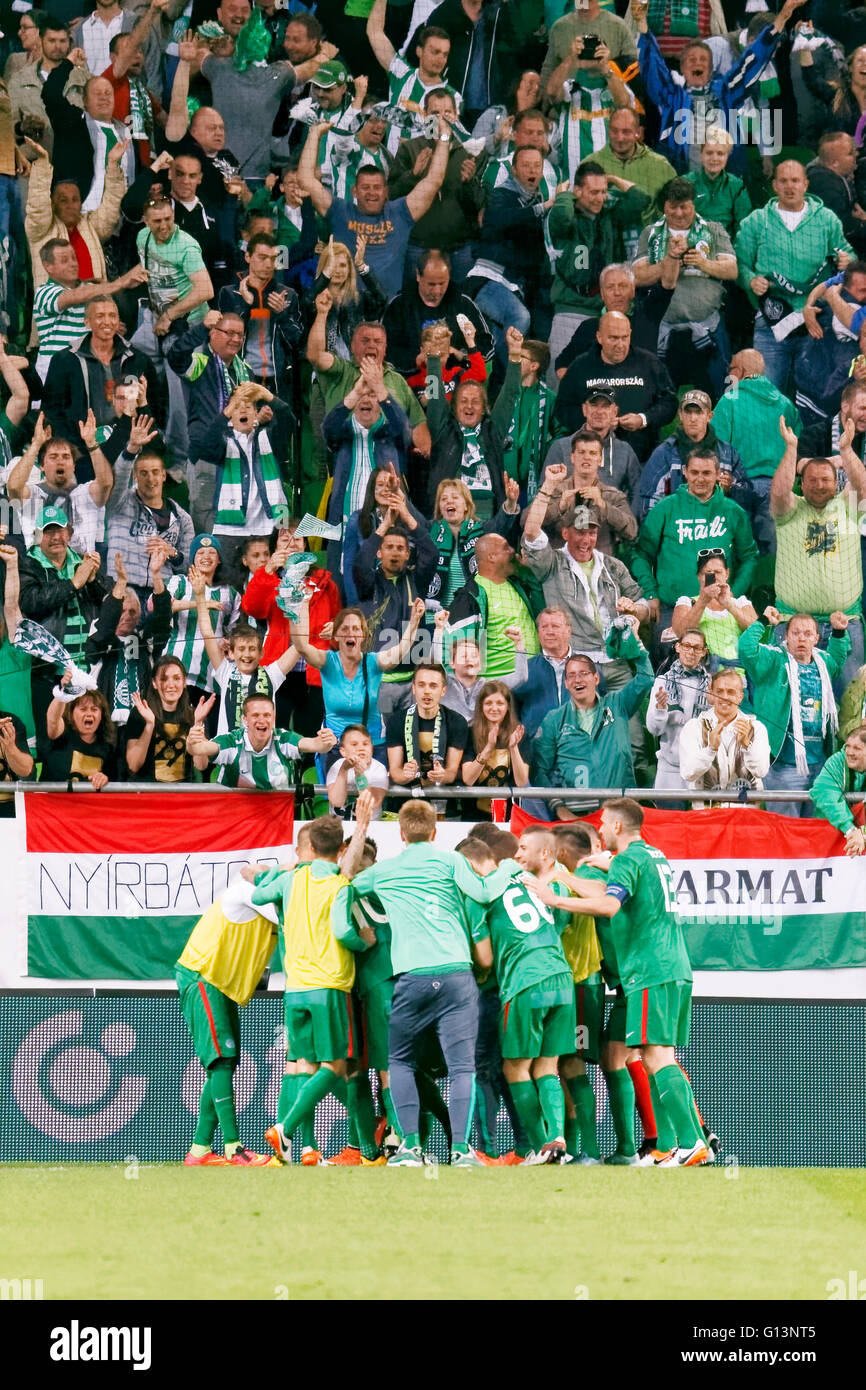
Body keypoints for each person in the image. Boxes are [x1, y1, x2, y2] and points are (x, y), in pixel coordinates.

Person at [531, 796, 709, 1166]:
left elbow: (609, 906)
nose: (598, 830)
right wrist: (565, 876)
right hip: (674, 966)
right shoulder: (652, 855)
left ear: (616, 826)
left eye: (602, 824)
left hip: (649, 969)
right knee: (662, 1055)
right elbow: (610, 894)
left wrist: (557, 900)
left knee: (656, 1056)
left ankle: (690, 1141)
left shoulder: (627, 859)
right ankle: (694, 1143)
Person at [347, 797, 512, 1167]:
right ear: (435, 831)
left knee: (401, 1062)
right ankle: (461, 1151)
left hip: (413, 979)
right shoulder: (452, 860)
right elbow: (485, 892)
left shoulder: (386, 869)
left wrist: (360, 829)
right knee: (462, 1068)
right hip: (457, 976)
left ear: (401, 833)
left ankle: (410, 1148)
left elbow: (346, 878)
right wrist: (511, 869)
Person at [251, 806, 375, 1166]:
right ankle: (285, 1130)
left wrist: (280, 871)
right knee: (335, 1067)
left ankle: (299, 1150)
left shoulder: (291, 880)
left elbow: (258, 897)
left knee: (299, 1065)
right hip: (330, 986)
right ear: (338, 851)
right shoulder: (339, 884)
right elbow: (342, 931)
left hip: (296, 989)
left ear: (309, 849)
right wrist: (363, 942)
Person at [461, 830, 574, 1164]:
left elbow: (485, 959)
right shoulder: (535, 881)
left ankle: (540, 1147)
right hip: (561, 978)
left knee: (514, 1068)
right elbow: (559, 920)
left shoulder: (480, 894)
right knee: (548, 1067)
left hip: (524, 984)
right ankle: (556, 1139)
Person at [175, 869, 281, 1165]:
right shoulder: (246, 894)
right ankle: (234, 1147)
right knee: (221, 1060)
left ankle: (199, 1151)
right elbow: (288, 910)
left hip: (222, 984)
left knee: (226, 1062)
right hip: (202, 975)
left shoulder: (266, 905)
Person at [631, 0, 796, 174]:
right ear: (682, 68)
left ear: (712, 68)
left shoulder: (726, 91)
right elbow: (654, 68)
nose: (698, 64)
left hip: (726, 174)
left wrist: (783, 16)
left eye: (703, 60)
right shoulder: (672, 96)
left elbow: (751, 62)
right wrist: (642, 25)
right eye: (692, 60)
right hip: (683, 173)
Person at [298, 115, 452, 301]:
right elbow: (306, 181)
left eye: (377, 187)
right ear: (354, 191)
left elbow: (434, 180)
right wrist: (314, 134)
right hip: (346, 304)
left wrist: (444, 138)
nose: (372, 193)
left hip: (387, 308)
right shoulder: (340, 211)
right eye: (365, 188)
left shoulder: (401, 212)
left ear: (386, 191)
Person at [734, 160, 853, 398]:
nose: (790, 187)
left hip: (816, 320)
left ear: (805, 184)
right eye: (784, 181)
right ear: (775, 185)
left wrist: (846, 260)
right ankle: (768, 435)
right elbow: (739, 262)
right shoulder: (756, 221)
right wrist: (750, 279)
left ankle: (806, 436)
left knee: (814, 393)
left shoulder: (826, 220)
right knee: (765, 395)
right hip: (771, 320)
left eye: (795, 181)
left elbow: (848, 253)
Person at [522, 470, 650, 687]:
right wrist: (548, 487)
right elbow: (532, 532)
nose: (586, 539)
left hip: (616, 662)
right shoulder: (551, 563)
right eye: (580, 532)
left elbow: (643, 606)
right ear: (565, 534)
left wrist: (634, 611)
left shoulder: (612, 565)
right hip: (578, 665)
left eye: (591, 533)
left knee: (630, 721)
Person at [770, 418, 866, 691]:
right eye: (812, 480)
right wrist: (791, 449)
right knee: (792, 700)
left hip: (844, 623)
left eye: (825, 479)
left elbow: (863, 488)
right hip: (793, 625)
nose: (819, 484)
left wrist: (846, 450)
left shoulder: (848, 507)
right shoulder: (789, 511)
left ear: (836, 483)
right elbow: (778, 492)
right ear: (802, 483)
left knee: (848, 698)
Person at [530, 623, 654, 819]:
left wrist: (636, 642)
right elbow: (539, 770)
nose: (578, 680)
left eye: (584, 674)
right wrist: (560, 809)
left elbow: (646, 678)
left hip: (620, 810)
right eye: (571, 676)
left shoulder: (618, 704)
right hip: (577, 816)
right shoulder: (554, 720)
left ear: (596, 678)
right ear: (566, 684)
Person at [629, 449, 758, 636]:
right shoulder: (665, 508)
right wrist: (651, 593)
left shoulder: (733, 511)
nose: (700, 479)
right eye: (695, 472)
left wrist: (733, 594)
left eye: (706, 473)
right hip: (671, 607)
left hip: (720, 610)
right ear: (685, 472)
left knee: (722, 665)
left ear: (717, 474)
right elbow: (641, 554)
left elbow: (749, 557)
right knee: (670, 665)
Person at [738, 607, 850, 817]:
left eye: (807, 634)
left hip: (819, 763)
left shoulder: (824, 663)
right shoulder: (772, 661)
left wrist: (838, 632)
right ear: (786, 636)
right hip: (783, 765)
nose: (801, 639)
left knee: (816, 831)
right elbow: (746, 649)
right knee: (785, 831)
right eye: (796, 633)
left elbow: (838, 659)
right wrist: (763, 621)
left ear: (816, 638)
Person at [633, 175, 737, 398]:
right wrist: (669, 262)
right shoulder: (650, 233)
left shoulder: (713, 230)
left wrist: (702, 262)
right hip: (663, 330)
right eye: (673, 207)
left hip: (707, 329)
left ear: (693, 204)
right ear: (664, 207)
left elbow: (731, 270)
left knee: (717, 393)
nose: (679, 213)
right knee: (657, 395)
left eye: (684, 207)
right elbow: (638, 276)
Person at [547, 162, 650, 374]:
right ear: (578, 191)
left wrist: (613, 180)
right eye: (593, 192)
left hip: (601, 313)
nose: (600, 198)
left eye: (603, 192)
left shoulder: (608, 215)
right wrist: (563, 195)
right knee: (560, 377)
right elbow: (562, 217)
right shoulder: (566, 218)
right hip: (569, 309)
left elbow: (641, 199)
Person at [291, 599, 426, 758]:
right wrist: (301, 605)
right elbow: (301, 646)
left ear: (363, 635)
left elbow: (402, 650)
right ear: (336, 635)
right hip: (335, 747)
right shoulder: (327, 661)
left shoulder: (374, 662)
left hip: (371, 746)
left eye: (356, 629)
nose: (351, 633)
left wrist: (414, 621)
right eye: (345, 628)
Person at [18, 504, 107, 727]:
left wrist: (93, 580)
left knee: (84, 739)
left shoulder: (81, 561)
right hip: (48, 675)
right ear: (38, 536)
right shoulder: (29, 564)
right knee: (51, 740)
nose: (56, 537)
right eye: (48, 531)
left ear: (69, 533)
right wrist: (75, 583)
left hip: (85, 672)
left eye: (60, 530)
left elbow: (106, 605)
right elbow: (32, 602)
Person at [463, 145, 553, 365]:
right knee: (520, 318)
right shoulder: (501, 194)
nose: (532, 170)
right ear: (513, 170)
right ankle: (505, 379)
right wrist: (543, 208)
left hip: (516, 285)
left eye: (536, 166)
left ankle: (495, 378)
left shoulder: (536, 199)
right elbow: (503, 219)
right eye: (525, 165)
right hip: (487, 280)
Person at [386, 87, 486, 282]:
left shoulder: (471, 152)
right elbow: (393, 197)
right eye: (435, 113)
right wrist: (412, 175)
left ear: (456, 116)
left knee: (459, 305)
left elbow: (479, 206)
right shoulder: (410, 148)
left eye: (447, 113)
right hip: (418, 246)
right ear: (424, 115)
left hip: (458, 249)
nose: (441, 119)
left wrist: (469, 183)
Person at [553, 310, 678, 461]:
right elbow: (562, 409)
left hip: (641, 456)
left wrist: (643, 419)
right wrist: (594, 422)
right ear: (599, 337)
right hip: (591, 459)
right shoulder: (580, 367)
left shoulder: (649, 363)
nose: (620, 345)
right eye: (613, 338)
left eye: (624, 338)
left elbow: (669, 403)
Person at [32, 235, 146, 383]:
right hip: (55, 373)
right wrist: (120, 283)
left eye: (74, 258)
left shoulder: (92, 288)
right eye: (65, 260)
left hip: (90, 370)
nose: (73, 264)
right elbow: (75, 296)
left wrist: (109, 327)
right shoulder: (44, 292)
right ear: (48, 266)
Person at [637, 388, 755, 524]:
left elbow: (747, 498)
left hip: (717, 532)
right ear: (680, 415)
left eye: (698, 412)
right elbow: (648, 501)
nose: (693, 418)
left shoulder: (728, 453)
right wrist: (659, 534)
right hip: (677, 531)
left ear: (709, 416)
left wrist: (731, 488)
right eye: (688, 412)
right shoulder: (664, 453)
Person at [84, 546, 172, 728]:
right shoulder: (98, 637)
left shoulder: (144, 642)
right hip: (105, 725)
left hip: (141, 724)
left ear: (139, 615)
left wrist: (156, 575)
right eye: (121, 611)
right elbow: (106, 625)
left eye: (132, 611)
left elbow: (162, 620)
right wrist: (122, 581)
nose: (126, 616)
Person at [4, 410, 114, 556]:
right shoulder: (33, 494)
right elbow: (13, 487)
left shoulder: (85, 494)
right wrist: (36, 444)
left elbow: (106, 483)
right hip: (40, 573)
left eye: (66, 457)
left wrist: (92, 444)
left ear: (74, 465)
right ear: (42, 466)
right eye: (53, 457)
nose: (60, 461)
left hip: (82, 569)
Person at [23, 138, 125, 289]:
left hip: (96, 304)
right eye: (63, 200)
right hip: (62, 307)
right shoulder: (41, 230)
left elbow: (112, 203)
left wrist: (113, 165)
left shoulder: (90, 226)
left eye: (75, 199)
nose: (70, 205)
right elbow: (38, 206)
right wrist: (43, 164)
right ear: (52, 204)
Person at [381, 248, 493, 378]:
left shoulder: (463, 304)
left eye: (442, 283)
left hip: (455, 384)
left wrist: (459, 355)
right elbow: (386, 350)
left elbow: (487, 347)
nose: (437, 291)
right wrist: (417, 360)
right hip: (412, 382)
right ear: (418, 275)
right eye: (431, 284)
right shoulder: (399, 306)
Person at [106, 433, 195, 595]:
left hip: (161, 591)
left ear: (163, 475)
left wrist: (172, 553)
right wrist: (131, 450)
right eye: (143, 473)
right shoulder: (120, 503)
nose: (150, 479)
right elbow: (118, 479)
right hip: (124, 589)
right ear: (135, 476)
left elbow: (189, 565)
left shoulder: (182, 518)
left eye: (155, 472)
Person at [366, 3, 459, 154]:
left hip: (421, 174)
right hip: (389, 168)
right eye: (435, 52)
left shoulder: (453, 98)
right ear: (419, 51)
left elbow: (446, 146)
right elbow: (375, 32)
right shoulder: (401, 74)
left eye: (445, 54)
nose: (440, 59)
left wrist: (413, 147)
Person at [584, 107, 677, 259]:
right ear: (608, 130)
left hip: (650, 252)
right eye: (615, 131)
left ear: (638, 132)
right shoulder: (591, 164)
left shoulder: (661, 166)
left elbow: (676, 209)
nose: (619, 138)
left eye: (626, 132)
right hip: (603, 251)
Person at [188, 691, 334, 787]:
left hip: (273, 815)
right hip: (235, 815)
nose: (262, 720)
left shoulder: (283, 739)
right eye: (255, 715)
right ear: (245, 720)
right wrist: (192, 741)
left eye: (267, 715)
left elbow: (314, 744)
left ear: (274, 718)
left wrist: (325, 742)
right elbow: (200, 749)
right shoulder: (232, 741)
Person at [448, 532, 540, 679]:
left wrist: (526, 572)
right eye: (506, 548)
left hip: (534, 676)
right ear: (491, 556)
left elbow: (541, 603)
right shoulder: (469, 597)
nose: (512, 551)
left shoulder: (516, 584)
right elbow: (451, 652)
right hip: (499, 687)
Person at [533, 430, 638, 558]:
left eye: (592, 453)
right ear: (572, 457)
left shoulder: (612, 496)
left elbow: (632, 531)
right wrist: (559, 507)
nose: (586, 457)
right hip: (559, 567)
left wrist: (603, 506)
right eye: (581, 452)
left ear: (600, 459)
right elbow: (526, 523)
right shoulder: (554, 491)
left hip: (599, 569)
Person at [678, 668, 771, 806]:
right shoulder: (694, 727)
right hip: (706, 816)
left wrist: (747, 746)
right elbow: (688, 773)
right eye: (719, 691)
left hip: (746, 815)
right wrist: (710, 749)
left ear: (740, 697)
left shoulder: (757, 728)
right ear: (712, 695)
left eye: (731, 692)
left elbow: (761, 771)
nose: (724, 697)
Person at [427, 476, 520, 612]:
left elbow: (501, 524)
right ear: (440, 507)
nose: (449, 501)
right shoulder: (430, 531)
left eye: (455, 497)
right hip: (436, 615)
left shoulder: (481, 530)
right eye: (444, 499)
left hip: (472, 613)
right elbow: (412, 522)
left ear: (466, 505)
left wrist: (511, 502)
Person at [646, 629, 711, 802]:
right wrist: (660, 709)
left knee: (698, 823)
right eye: (687, 646)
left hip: (701, 768)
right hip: (670, 768)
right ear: (677, 647)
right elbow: (654, 729)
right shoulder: (663, 681)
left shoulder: (711, 684)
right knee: (667, 822)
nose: (691, 652)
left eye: (697, 648)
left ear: (704, 652)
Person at [386, 660, 469, 791]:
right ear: (413, 688)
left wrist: (443, 775)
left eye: (433, 686)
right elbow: (395, 772)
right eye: (421, 685)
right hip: (407, 797)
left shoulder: (457, 722)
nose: (426, 691)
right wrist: (405, 774)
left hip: (442, 798)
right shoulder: (396, 721)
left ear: (443, 690)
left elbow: (451, 773)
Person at [670, 551, 757, 669]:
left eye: (718, 572)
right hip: (700, 674)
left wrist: (728, 604)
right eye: (708, 573)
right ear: (699, 576)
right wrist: (702, 601)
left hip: (736, 675)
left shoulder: (740, 603)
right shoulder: (687, 602)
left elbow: (756, 631)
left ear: (727, 573)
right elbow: (680, 633)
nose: (714, 577)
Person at [123, 654, 202, 782]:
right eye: (164, 679)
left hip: (182, 796)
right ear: (154, 683)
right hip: (148, 795)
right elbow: (133, 765)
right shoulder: (139, 714)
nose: (171, 685)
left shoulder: (194, 715)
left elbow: (201, 765)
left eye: (177, 678)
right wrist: (149, 725)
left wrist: (198, 724)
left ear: (184, 682)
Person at [460, 680, 530, 808]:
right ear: (481, 706)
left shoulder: (520, 734)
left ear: (508, 706)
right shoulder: (469, 733)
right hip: (474, 814)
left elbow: (521, 782)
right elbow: (468, 779)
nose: (494, 708)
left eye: (500, 703)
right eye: (488, 703)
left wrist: (513, 748)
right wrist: (488, 748)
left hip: (509, 812)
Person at [511, 607, 576, 743]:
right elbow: (513, 711)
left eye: (555, 626)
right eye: (544, 627)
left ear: (568, 630)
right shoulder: (525, 670)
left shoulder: (586, 669)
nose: (549, 632)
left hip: (577, 749)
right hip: (536, 749)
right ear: (538, 633)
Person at [40, 681, 118, 788]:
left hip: (86, 803)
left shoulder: (107, 748)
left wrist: (104, 779)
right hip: (52, 802)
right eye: (83, 709)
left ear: (102, 715)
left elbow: (112, 781)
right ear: (71, 714)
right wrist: (62, 691)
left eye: (94, 709)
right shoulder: (61, 734)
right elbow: (53, 720)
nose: (89, 713)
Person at [684, 129, 753, 240]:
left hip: (726, 249)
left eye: (720, 153)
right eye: (709, 153)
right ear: (701, 155)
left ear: (727, 156)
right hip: (692, 246)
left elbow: (743, 226)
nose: (714, 158)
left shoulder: (737, 186)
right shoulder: (686, 183)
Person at [810, 727, 866, 854]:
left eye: (857, 748)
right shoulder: (837, 760)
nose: (849, 752)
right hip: (832, 835)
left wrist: (863, 833)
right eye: (848, 746)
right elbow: (823, 791)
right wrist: (851, 831)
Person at [326, 724, 389, 818]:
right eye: (354, 744)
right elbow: (336, 801)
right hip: (338, 827)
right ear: (343, 751)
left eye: (365, 744)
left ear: (372, 748)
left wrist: (360, 775)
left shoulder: (379, 768)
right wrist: (344, 770)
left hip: (369, 827)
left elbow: (373, 803)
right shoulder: (337, 766)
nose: (361, 748)